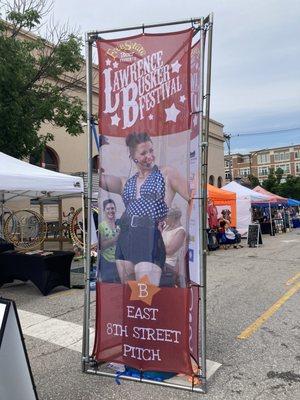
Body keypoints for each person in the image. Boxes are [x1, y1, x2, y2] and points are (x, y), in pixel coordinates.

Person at [100, 132, 190, 285]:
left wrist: (188, 237)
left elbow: (194, 198)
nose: (149, 156)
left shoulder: (166, 173)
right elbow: (99, 179)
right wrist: (100, 149)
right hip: (125, 238)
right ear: (132, 156)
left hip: (149, 237)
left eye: (151, 151)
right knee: (129, 295)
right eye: (143, 153)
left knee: (146, 296)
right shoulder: (126, 182)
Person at [161, 207, 186, 286]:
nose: (164, 219)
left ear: (173, 218)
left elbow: (169, 251)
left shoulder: (180, 231)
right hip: (161, 261)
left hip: (169, 264)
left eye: (166, 217)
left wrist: (157, 247)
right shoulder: (166, 227)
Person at [98, 199, 120, 283]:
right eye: (108, 209)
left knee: (119, 286)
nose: (111, 211)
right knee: (108, 286)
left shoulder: (119, 224)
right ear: (104, 210)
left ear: (115, 209)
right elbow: (102, 245)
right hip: (106, 262)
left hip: (119, 261)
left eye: (112, 208)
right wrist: (116, 238)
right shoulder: (101, 226)